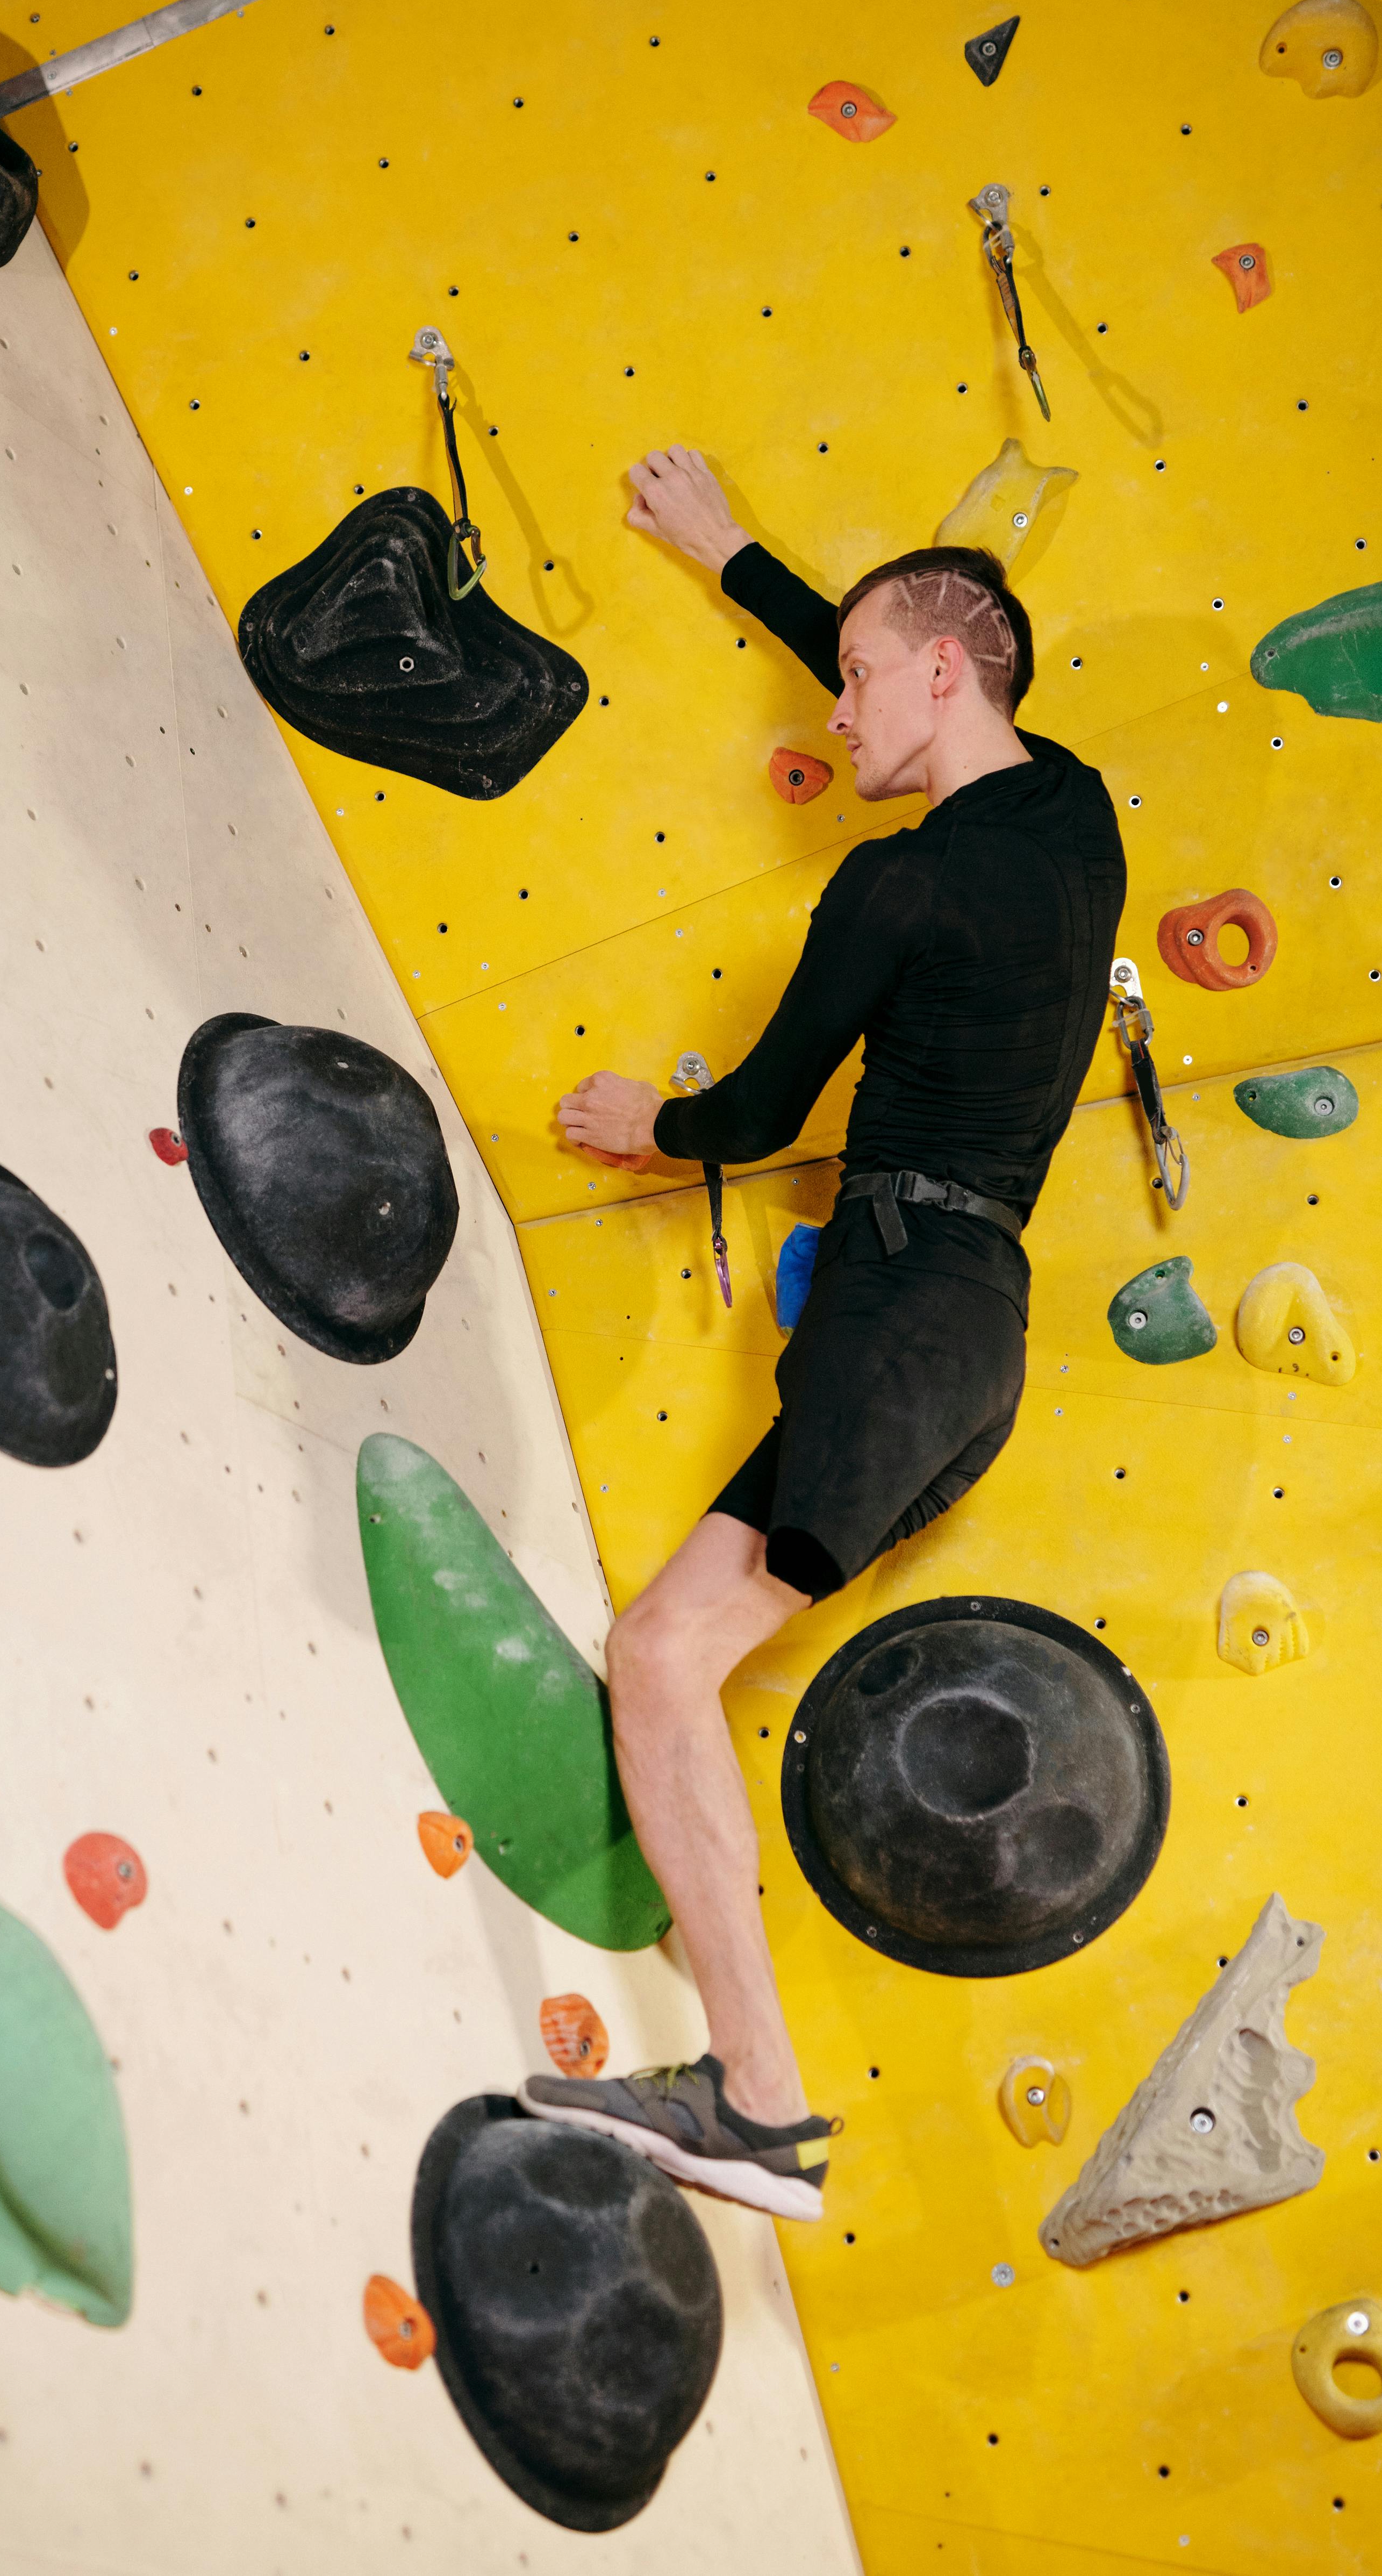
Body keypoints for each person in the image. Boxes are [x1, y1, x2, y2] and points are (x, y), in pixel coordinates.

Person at [518, 444, 1126, 2219]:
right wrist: (735, 557)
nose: (835, 710)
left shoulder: (888, 887)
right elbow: (923, 653)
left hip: (893, 1313)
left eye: (853, 678)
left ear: (938, 668)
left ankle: (761, 2100)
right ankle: (753, 2100)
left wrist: (646, 1121)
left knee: (665, 1658)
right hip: (969, 1331)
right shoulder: (1076, 811)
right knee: (660, 1647)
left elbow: (761, 1109)